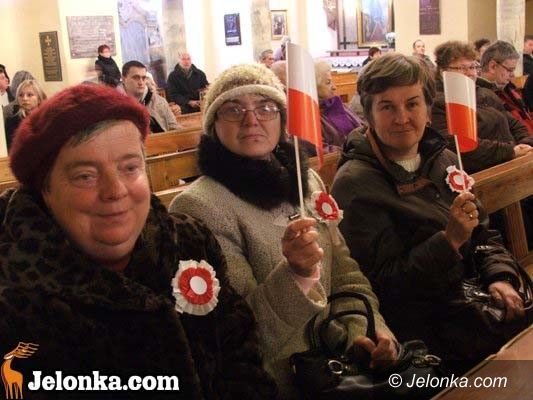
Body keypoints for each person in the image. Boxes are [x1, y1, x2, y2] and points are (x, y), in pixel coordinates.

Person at [0, 84, 277, 399]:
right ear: (45, 190)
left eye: (130, 168)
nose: (115, 191)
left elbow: (240, 355)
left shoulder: (188, 241)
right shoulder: (14, 300)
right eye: (85, 176)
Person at [169, 63, 397, 399]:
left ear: (282, 119)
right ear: (213, 125)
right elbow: (241, 335)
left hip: (341, 366)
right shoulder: (200, 207)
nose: (251, 120)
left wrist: (367, 330)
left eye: (266, 107)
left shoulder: (306, 182)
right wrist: (296, 275)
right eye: (233, 109)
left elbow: (345, 275)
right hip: (278, 382)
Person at [331, 53, 526, 368]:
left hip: (472, 303)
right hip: (421, 335)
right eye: (387, 107)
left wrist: (499, 276)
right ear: (368, 114)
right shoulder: (355, 184)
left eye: (412, 104)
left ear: (427, 107)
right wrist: (448, 241)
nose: (402, 118)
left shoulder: (443, 158)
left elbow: (484, 236)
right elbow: (383, 286)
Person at [431, 40, 533, 173]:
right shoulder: (439, 103)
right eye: (463, 68)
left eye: (473, 67)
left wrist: (525, 142)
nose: (471, 73)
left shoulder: (485, 93)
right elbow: (460, 145)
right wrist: (511, 151)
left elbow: (514, 123)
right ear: (443, 71)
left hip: (511, 161)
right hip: (481, 172)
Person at [478, 40, 533, 134]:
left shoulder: (508, 88)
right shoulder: (482, 96)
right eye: (510, 70)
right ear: (493, 66)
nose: (513, 75)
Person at [315, 60, 364, 151]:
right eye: (328, 82)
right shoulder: (310, 117)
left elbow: (362, 127)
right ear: (313, 86)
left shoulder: (337, 103)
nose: (334, 87)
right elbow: (320, 150)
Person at [121, 60, 178, 133]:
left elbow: (174, 128)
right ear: (123, 79)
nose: (141, 82)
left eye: (143, 78)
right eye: (136, 77)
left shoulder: (160, 102)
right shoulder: (116, 105)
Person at [4, 79, 46, 149]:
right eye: (21, 95)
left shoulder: (47, 119)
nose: (24, 98)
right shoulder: (11, 121)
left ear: (39, 98)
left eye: (29, 95)